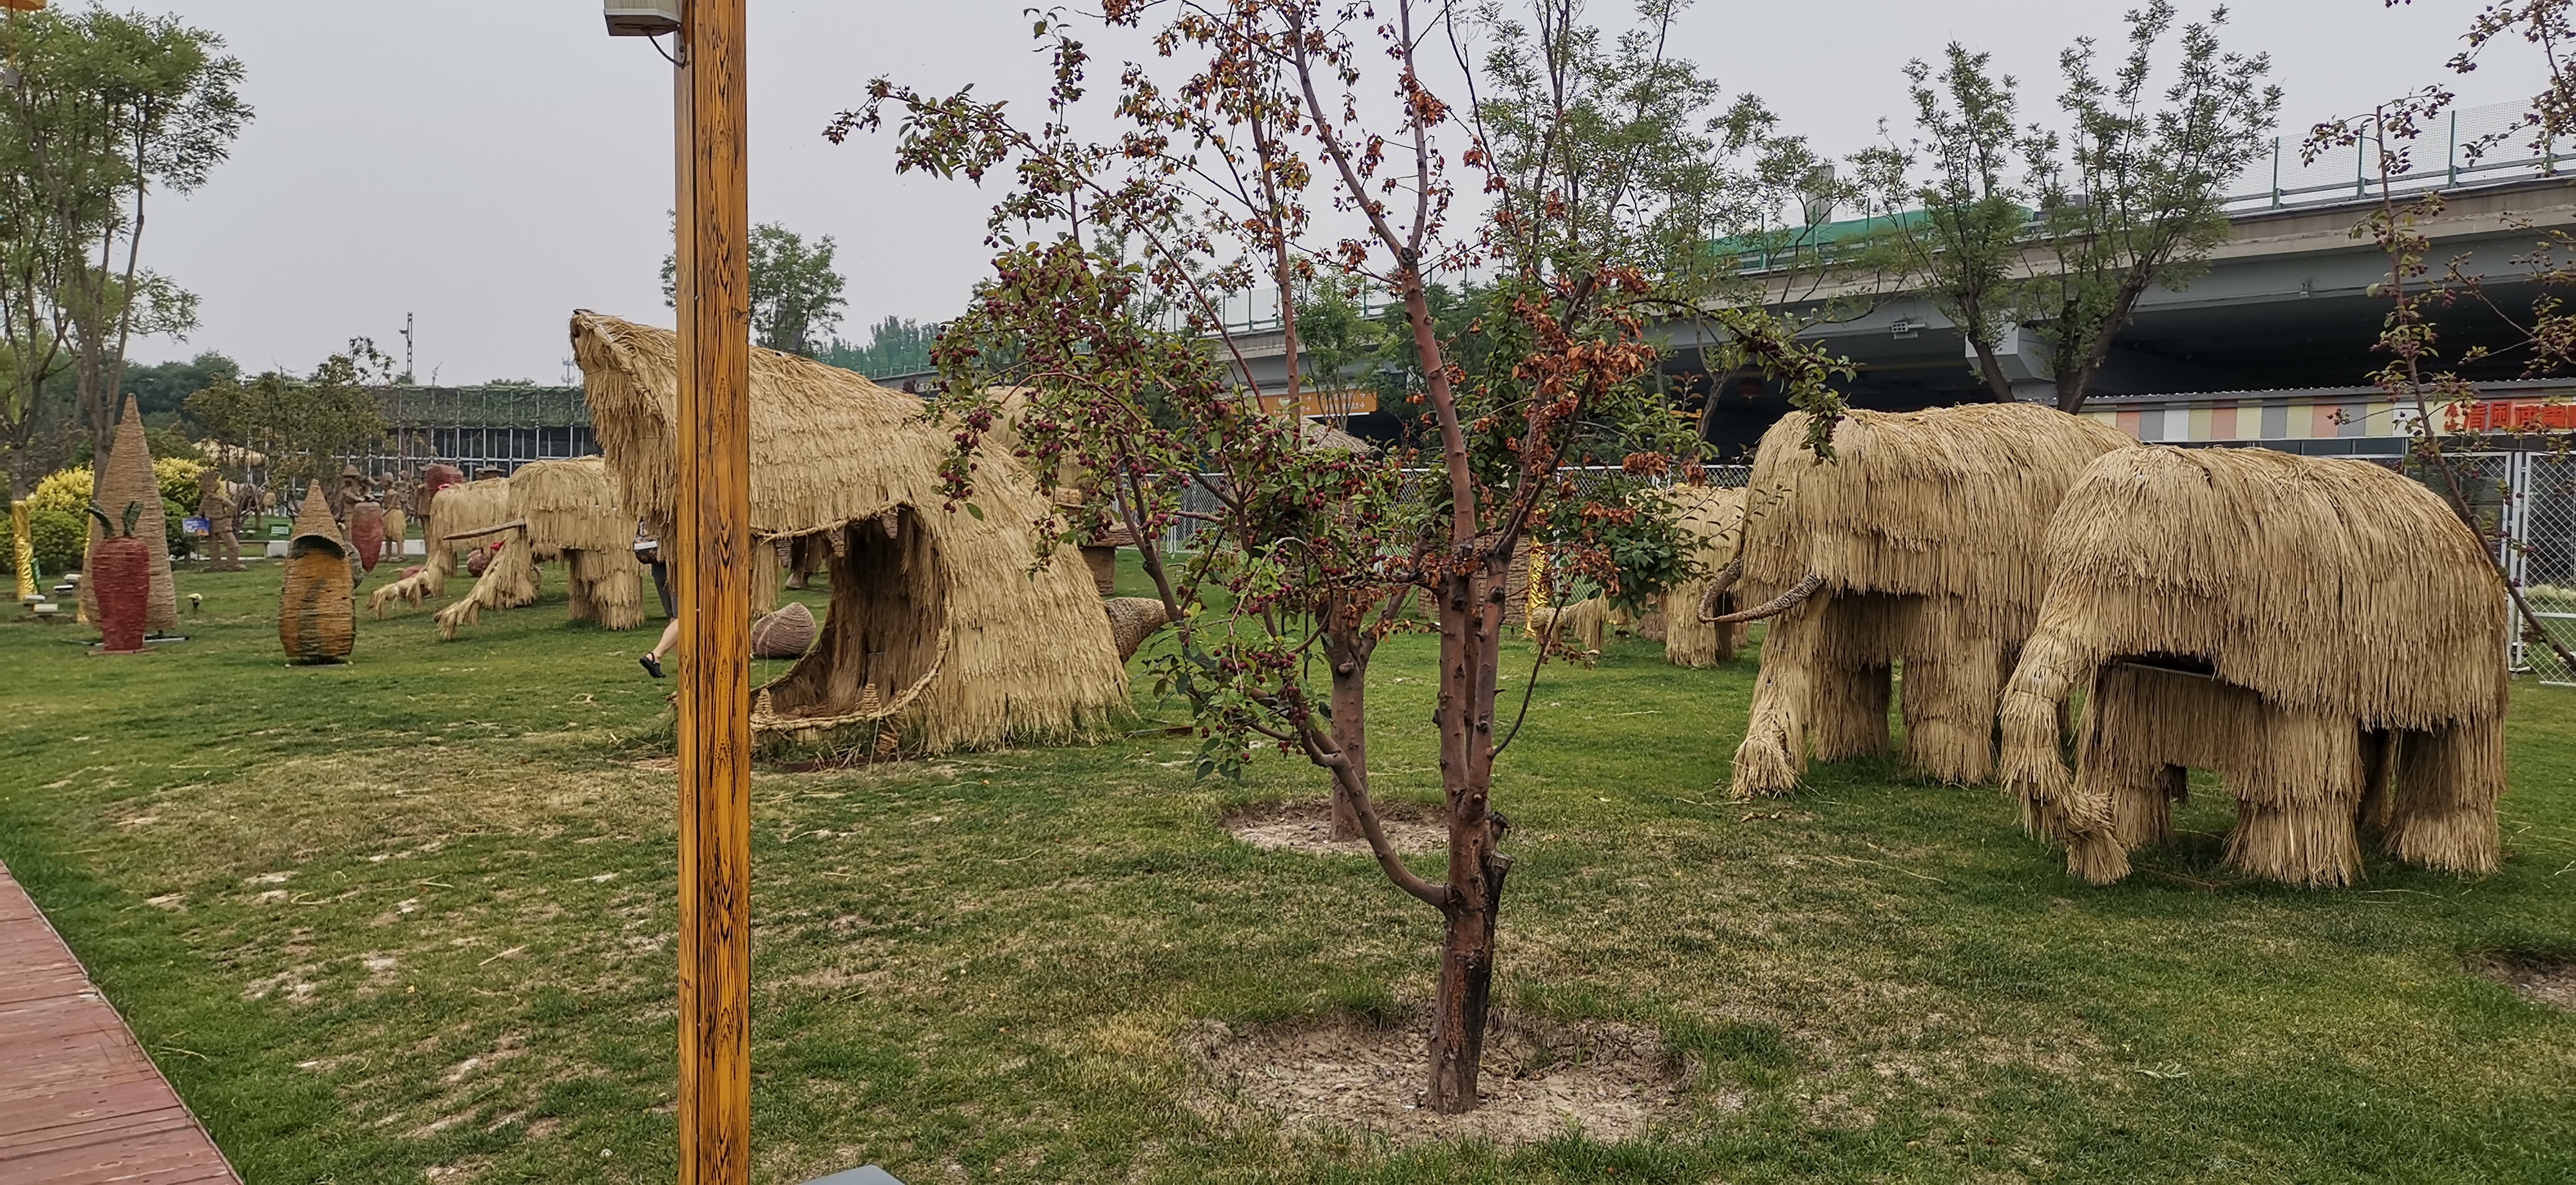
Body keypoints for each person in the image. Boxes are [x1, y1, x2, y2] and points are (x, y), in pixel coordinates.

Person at [637, 520, 677, 678]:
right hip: (675, 569)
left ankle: (685, 661)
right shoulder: (674, 515)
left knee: (674, 618)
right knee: (685, 616)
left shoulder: (650, 515)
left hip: (658, 569)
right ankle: (655, 656)